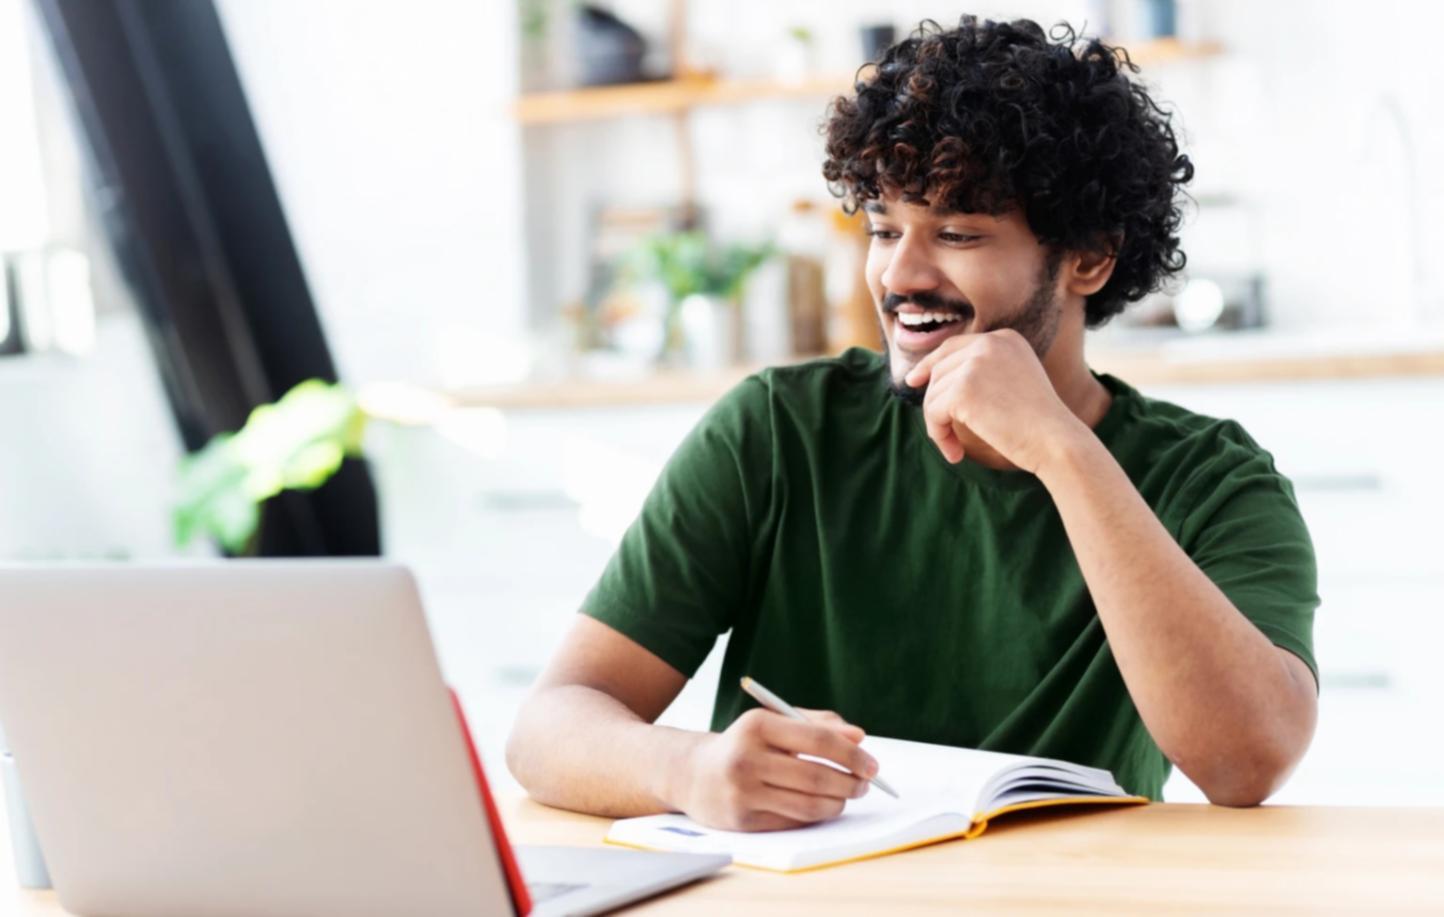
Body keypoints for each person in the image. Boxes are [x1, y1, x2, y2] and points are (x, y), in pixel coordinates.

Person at [507, 16, 1318, 832]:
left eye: (957, 234)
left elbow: (1247, 762)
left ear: (1089, 258)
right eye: (885, 229)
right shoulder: (779, 432)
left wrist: (1061, 448)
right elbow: (547, 729)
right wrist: (686, 767)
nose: (899, 275)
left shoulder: (1210, 479)